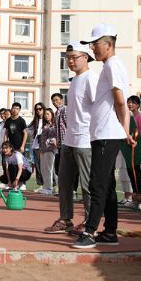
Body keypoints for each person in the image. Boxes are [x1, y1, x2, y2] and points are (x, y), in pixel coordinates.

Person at [72, 23, 133, 249]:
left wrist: (124, 130)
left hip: (107, 134)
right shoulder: (110, 65)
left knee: (97, 184)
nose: (92, 48)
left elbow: (120, 100)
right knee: (106, 185)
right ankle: (109, 233)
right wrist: (124, 130)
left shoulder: (113, 64)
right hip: (103, 134)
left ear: (108, 44)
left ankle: (89, 232)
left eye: (95, 44)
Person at [44, 41, 97, 236]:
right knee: (64, 183)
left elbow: (100, 109)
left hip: (85, 140)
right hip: (69, 140)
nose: (70, 61)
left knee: (87, 185)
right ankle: (66, 219)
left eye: (74, 57)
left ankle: (89, 223)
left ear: (86, 57)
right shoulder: (74, 81)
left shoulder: (92, 79)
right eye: (67, 58)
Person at [38, 108, 58, 196]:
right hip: (43, 150)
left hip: (51, 149)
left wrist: (51, 141)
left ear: (52, 115)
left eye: (48, 114)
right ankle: (46, 187)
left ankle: (49, 188)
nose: (46, 116)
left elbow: (56, 137)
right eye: (45, 114)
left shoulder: (55, 125)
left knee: (49, 169)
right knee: (43, 169)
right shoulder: (45, 125)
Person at [26, 103, 45, 192]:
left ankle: (51, 185)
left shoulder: (47, 120)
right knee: (38, 166)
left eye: (40, 109)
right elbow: (27, 130)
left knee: (47, 167)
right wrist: (34, 135)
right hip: (36, 146)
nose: (38, 111)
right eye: (36, 109)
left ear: (43, 109)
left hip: (46, 147)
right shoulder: (34, 121)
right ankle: (40, 185)